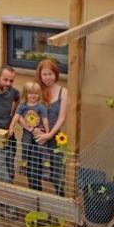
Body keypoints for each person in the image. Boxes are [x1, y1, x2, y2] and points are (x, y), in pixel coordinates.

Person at [33, 59, 68, 196]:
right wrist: (36, 131)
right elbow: (27, 112)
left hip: (55, 136)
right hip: (37, 137)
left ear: (56, 74)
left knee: (57, 171)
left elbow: (62, 117)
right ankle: (38, 201)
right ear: (40, 75)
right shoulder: (36, 89)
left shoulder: (63, 91)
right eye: (44, 74)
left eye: (50, 74)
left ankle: (60, 198)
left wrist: (50, 134)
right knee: (35, 170)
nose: (48, 77)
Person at [8, 82, 50, 191]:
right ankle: (24, 164)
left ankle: (46, 166)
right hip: (27, 131)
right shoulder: (22, 105)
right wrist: (11, 127)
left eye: (36, 93)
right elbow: (16, 116)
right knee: (25, 143)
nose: (33, 96)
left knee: (42, 146)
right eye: (30, 93)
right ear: (26, 94)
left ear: (39, 94)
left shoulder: (41, 106)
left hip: (39, 129)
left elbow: (45, 120)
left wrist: (47, 133)